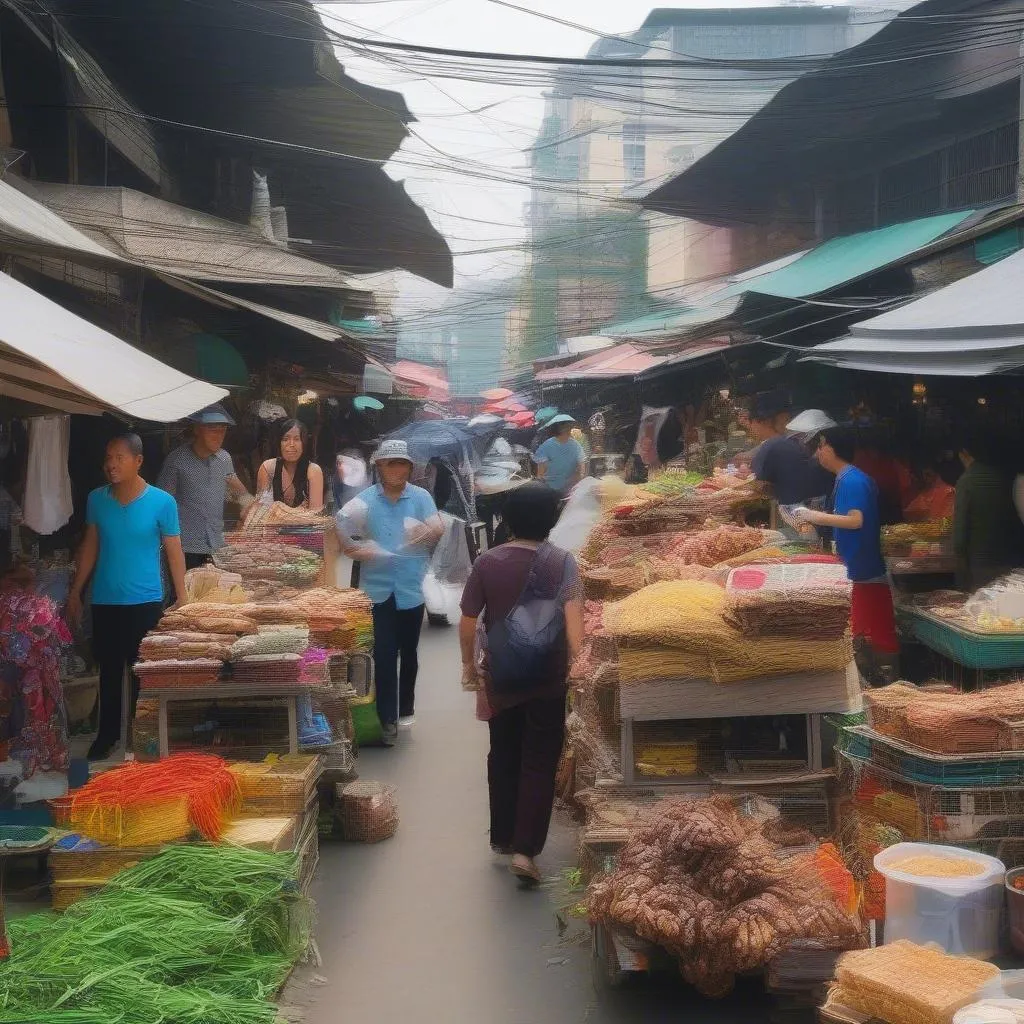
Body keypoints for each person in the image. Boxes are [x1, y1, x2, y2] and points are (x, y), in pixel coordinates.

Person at [459, 482, 583, 886]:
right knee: (540, 759)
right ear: (551, 521)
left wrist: (467, 666)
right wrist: (578, 667)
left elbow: (467, 620)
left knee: (503, 752)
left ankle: (503, 836)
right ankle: (527, 851)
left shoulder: (487, 562)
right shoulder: (563, 562)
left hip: (502, 676)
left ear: (508, 520)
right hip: (548, 676)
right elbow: (574, 626)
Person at [67, 434, 186, 760]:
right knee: (108, 670)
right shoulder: (96, 499)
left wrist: (183, 595)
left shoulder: (162, 502)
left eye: (119, 457)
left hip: (146, 601)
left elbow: (174, 550)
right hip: (105, 599)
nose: (111, 464)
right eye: (108, 456)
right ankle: (106, 737)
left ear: (138, 461)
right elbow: (90, 545)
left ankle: (141, 737)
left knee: (141, 673)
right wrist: (76, 590)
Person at [336, 439, 443, 744]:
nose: (397, 469)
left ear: (410, 467)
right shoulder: (365, 500)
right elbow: (342, 529)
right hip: (378, 590)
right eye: (391, 463)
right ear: (379, 467)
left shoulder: (420, 497)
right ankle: (387, 717)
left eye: (402, 464)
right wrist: (358, 550)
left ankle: (405, 708)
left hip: (412, 587)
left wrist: (427, 531)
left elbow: (437, 527)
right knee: (383, 653)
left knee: (409, 653)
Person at [796, 426, 898, 685]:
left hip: (864, 570)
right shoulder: (844, 478)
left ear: (832, 448)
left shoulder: (853, 480)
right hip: (854, 567)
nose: (818, 452)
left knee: (873, 635)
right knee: (862, 633)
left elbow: (855, 520)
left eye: (821, 446)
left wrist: (814, 516)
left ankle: (886, 686)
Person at [157, 404, 253, 570]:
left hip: (216, 545)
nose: (218, 436)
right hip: (185, 547)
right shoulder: (176, 461)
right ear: (197, 429)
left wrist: (249, 505)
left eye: (222, 430)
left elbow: (237, 490)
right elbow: (161, 504)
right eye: (212, 429)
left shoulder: (224, 459)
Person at [954, 434, 1023, 591]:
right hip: (1008, 558)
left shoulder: (966, 481)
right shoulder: (1003, 476)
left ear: (964, 454)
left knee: (982, 610)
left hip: (980, 563)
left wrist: (960, 569)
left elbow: (960, 534)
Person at [747, 394, 833, 507]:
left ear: (764, 421)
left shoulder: (774, 445)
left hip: (795, 511)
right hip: (823, 506)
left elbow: (756, 483)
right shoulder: (784, 443)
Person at [256, 419, 325, 510]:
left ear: (304, 443)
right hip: (272, 524)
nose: (291, 444)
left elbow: (315, 515)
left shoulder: (313, 470)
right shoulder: (267, 468)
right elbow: (261, 510)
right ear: (279, 443)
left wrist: (279, 510)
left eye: (297, 439)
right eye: (285, 439)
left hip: (304, 524)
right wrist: (297, 512)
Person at [533, 414, 587, 497]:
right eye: (566, 427)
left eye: (569, 427)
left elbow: (582, 464)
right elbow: (540, 473)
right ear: (559, 429)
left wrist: (580, 478)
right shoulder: (547, 445)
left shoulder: (575, 444)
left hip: (568, 488)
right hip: (552, 488)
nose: (569, 429)